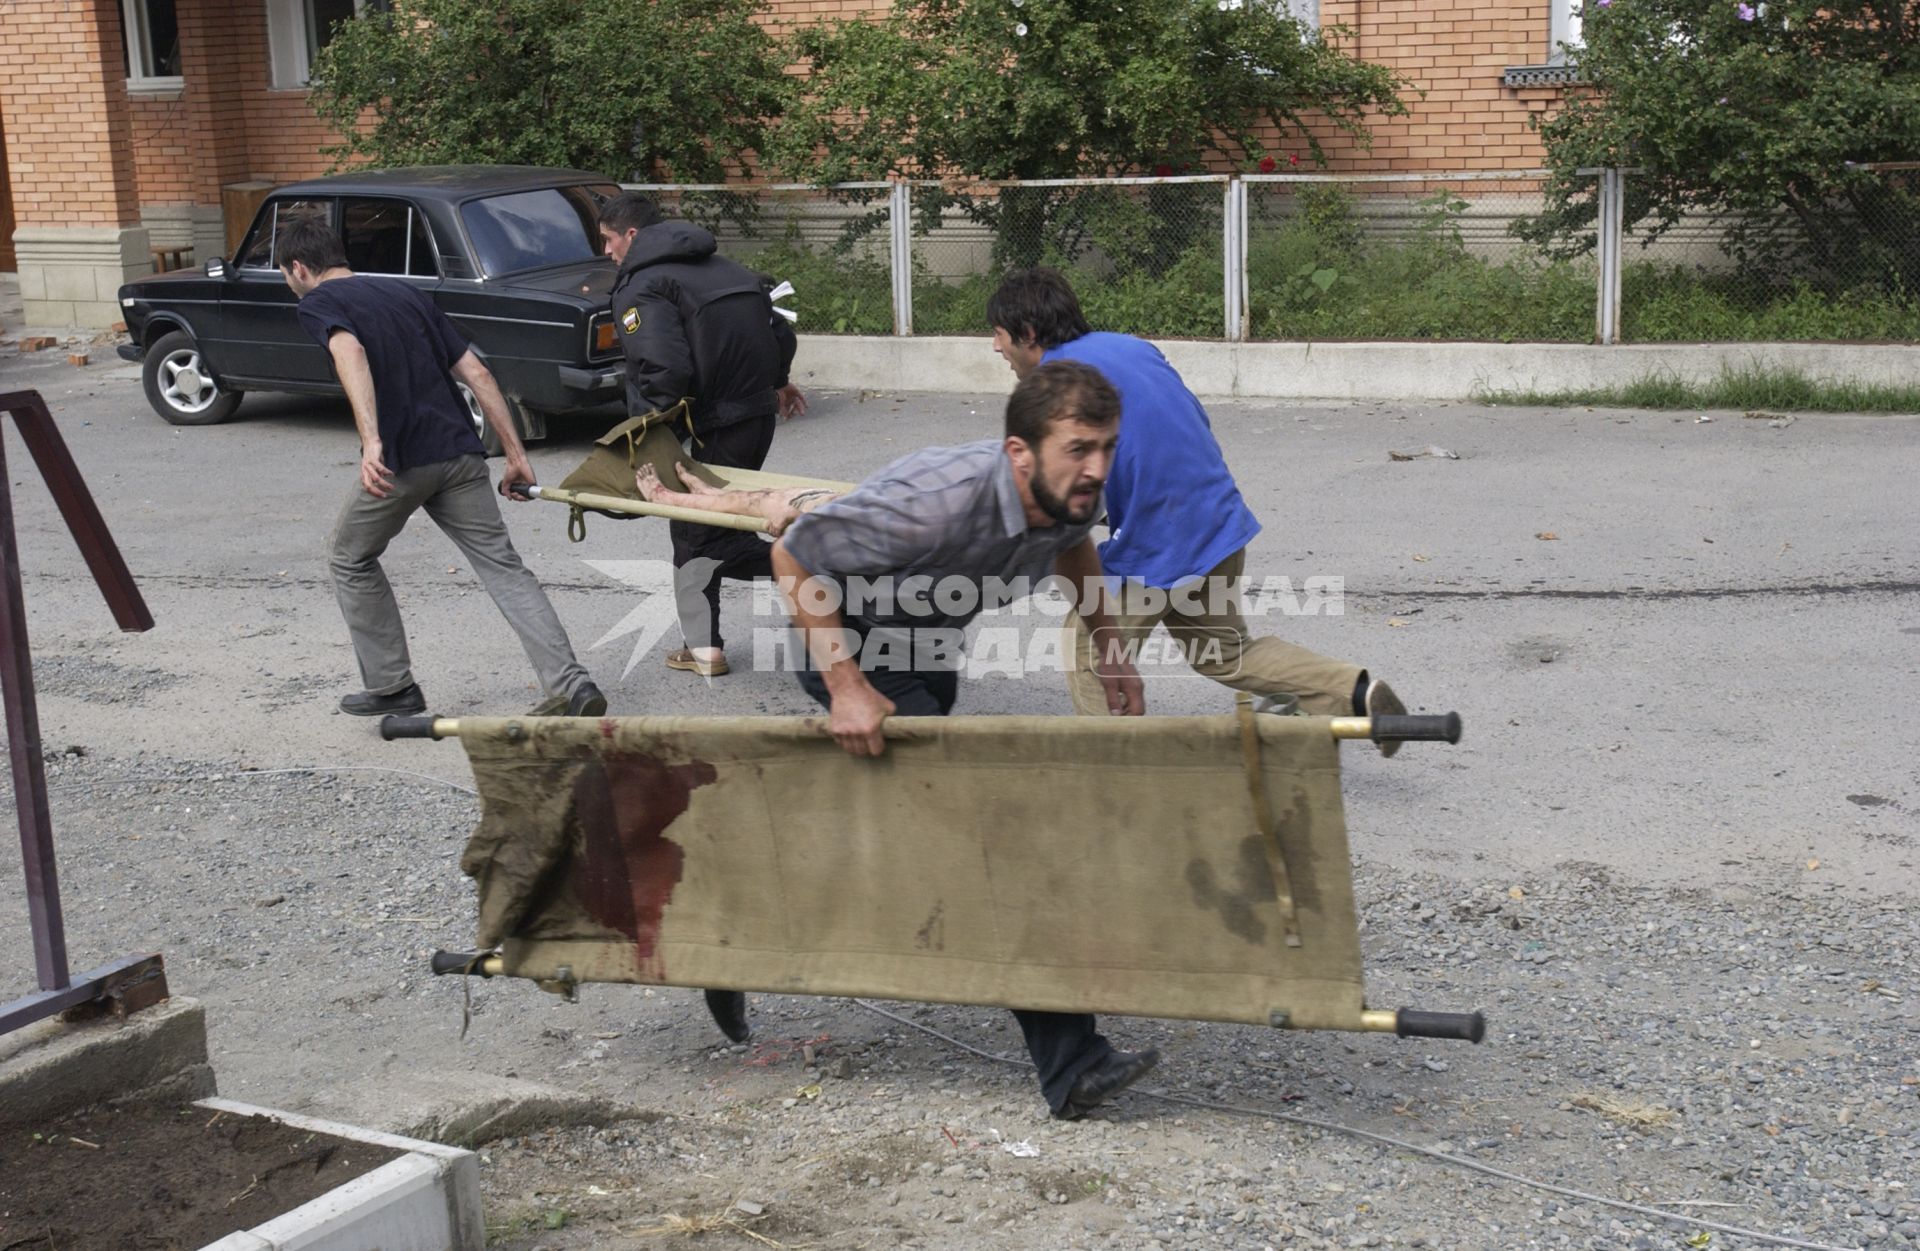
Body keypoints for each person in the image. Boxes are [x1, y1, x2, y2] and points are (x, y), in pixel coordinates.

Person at [767, 360, 1160, 1120]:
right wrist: (847, 687)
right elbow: (794, 554)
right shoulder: (937, 502)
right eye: (1080, 448)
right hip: (858, 656)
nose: (1098, 467)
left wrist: (1110, 648)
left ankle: (737, 935)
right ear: (1019, 452)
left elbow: (1074, 544)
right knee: (989, 843)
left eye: (1107, 447)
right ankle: (1072, 1063)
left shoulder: (1070, 489)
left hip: (928, 654)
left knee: (899, 838)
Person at [986, 268, 1409, 753]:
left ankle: (1119, 780)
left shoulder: (1052, 389)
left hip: (1162, 540)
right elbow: (1161, 437)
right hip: (1217, 519)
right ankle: (1353, 691)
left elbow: (1060, 495)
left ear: (1028, 333)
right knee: (1225, 653)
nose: (996, 347)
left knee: (1089, 647)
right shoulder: (1131, 347)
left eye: (998, 334)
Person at [278, 216, 607, 719]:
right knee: (504, 568)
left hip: (401, 461)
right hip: (460, 452)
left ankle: (393, 687)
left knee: (349, 557)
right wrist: (517, 456)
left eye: (285, 274)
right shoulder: (405, 294)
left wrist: (371, 442)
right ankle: (572, 685)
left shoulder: (320, 302)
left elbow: (351, 351)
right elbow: (476, 371)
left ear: (299, 268)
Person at [599, 191, 806, 680]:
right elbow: (780, 330)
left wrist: (644, 436)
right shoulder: (728, 268)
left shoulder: (644, 286)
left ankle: (812, 564)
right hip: (755, 416)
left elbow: (662, 368)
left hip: (711, 422)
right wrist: (779, 379)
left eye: (608, 240)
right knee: (709, 526)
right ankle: (706, 643)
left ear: (631, 235)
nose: (606, 252)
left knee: (696, 532)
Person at [634, 461, 839, 538]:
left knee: (765, 501)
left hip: (837, 519)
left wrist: (788, 517)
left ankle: (664, 497)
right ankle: (709, 493)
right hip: (838, 506)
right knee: (779, 494)